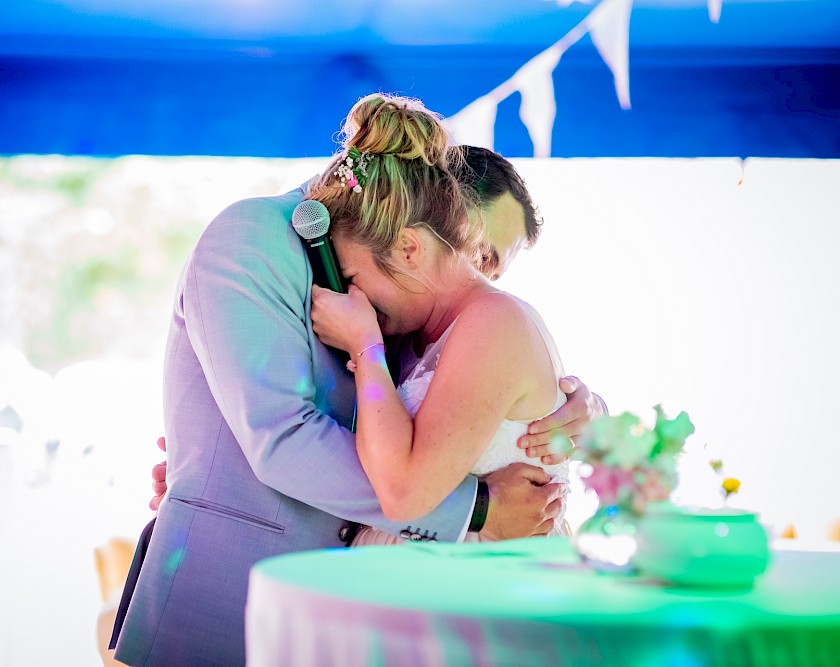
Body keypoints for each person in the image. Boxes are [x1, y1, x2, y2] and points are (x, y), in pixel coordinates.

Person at [111, 93, 605, 667]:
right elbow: (283, 438)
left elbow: (460, 396)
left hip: (367, 615)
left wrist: (576, 408)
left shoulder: (423, 307)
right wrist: (477, 509)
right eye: (480, 249)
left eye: (497, 262)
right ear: (422, 228)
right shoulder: (251, 238)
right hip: (229, 593)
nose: (484, 272)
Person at [306, 99, 574, 545]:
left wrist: (365, 350)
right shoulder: (417, 335)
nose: (350, 297)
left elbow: (405, 494)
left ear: (409, 249)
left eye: (352, 277)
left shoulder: (495, 321)